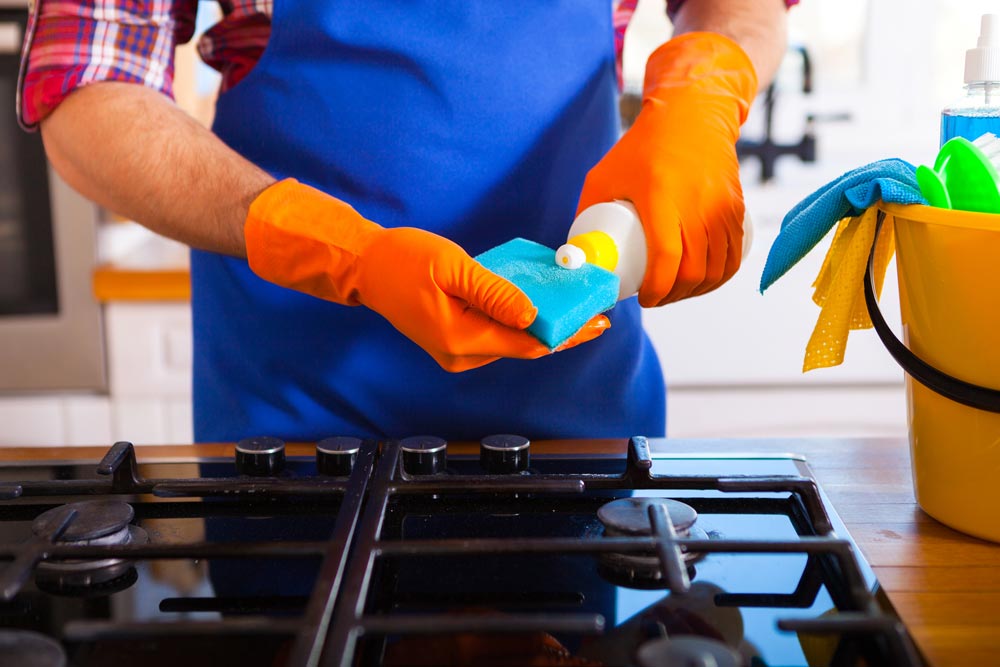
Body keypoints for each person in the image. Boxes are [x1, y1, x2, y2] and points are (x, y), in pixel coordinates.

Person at [21, 0, 793, 444]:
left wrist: (703, 95)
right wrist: (337, 248)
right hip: (294, 426)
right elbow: (91, 89)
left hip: (573, 414)